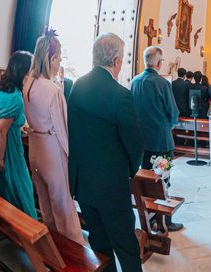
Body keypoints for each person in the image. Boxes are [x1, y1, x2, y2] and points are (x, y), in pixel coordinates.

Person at [68, 33, 143, 272]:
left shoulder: (78, 86)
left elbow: (74, 131)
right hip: (111, 186)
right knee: (126, 247)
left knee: (99, 244)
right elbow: (134, 143)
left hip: (84, 184)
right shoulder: (120, 95)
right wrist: (131, 169)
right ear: (117, 60)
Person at [23, 32, 83, 243]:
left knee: (45, 202)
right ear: (50, 59)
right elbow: (62, 126)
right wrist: (71, 156)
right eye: (58, 58)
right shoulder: (52, 90)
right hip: (51, 149)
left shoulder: (28, 83)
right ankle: (74, 247)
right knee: (63, 204)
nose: (59, 63)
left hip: (35, 147)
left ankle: (53, 244)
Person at [130, 48, 181, 225]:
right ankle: (164, 221)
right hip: (161, 142)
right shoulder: (162, 83)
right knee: (162, 180)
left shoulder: (135, 81)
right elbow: (173, 113)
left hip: (140, 143)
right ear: (159, 63)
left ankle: (148, 218)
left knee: (145, 180)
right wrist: (169, 126)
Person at [0, 51, 36, 218]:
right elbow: (1, 131)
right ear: (24, 71)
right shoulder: (16, 97)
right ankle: (28, 223)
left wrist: (19, 126)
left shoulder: (4, 85)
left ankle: (10, 220)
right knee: (22, 185)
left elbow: (5, 119)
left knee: (7, 185)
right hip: (5, 144)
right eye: (31, 68)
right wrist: (1, 159)